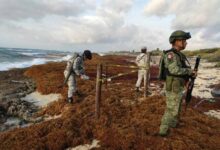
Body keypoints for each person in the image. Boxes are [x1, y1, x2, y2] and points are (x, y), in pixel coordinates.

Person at [159, 30, 197, 136]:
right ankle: (163, 130)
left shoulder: (179, 55)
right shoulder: (171, 55)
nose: (186, 43)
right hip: (173, 86)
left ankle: (173, 124)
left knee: (177, 106)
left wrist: (188, 79)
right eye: (183, 40)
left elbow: (183, 71)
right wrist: (190, 72)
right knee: (171, 109)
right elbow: (174, 70)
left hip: (178, 85)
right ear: (176, 41)